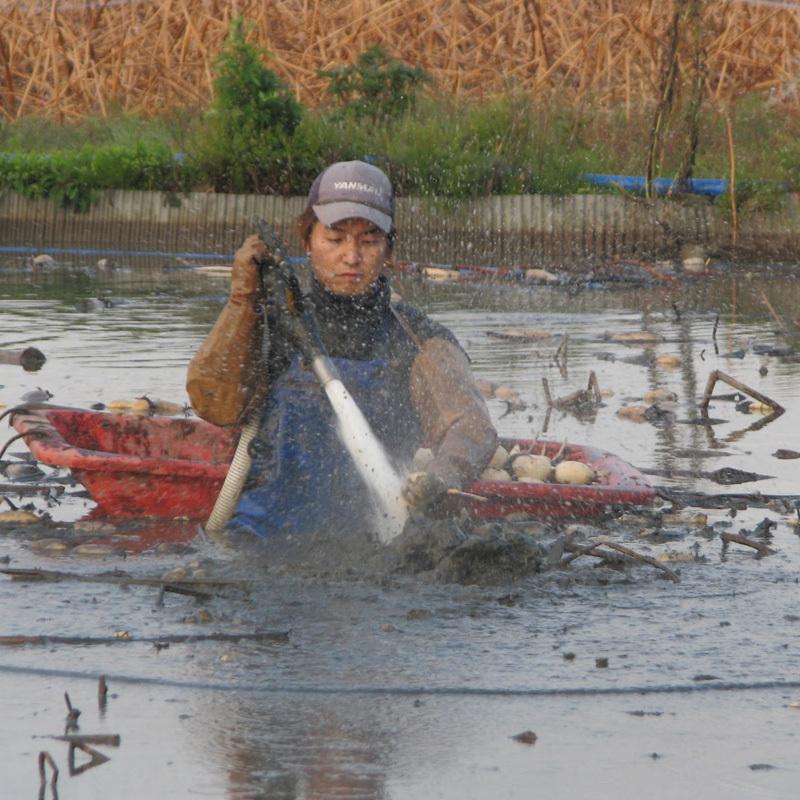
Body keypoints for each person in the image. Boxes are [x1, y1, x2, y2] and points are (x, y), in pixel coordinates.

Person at [187, 160, 497, 540]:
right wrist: (241, 301)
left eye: (369, 240)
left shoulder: (418, 340)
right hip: (261, 537)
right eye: (335, 239)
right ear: (307, 240)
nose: (352, 257)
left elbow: (471, 426)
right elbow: (214, 405)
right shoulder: (268, 323)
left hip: (373, 544)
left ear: (389, 248)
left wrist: (440, 479)